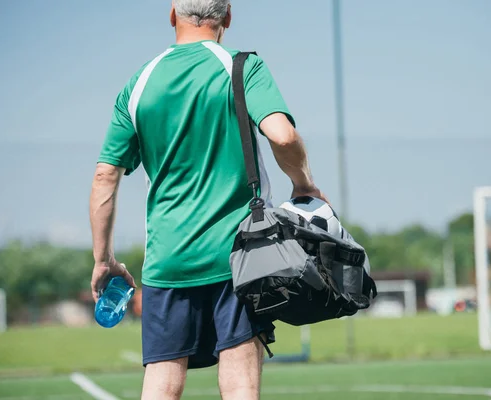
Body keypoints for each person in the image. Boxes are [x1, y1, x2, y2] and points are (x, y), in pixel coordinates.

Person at [89, 1, 328, 399]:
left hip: (168, 260)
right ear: (227, 18)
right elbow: (282, 136)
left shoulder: (139, 84)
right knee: (239, 381)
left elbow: (104, 176)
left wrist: (103, 260)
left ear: (172, 16)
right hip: (239, 257)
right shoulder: (242, 67)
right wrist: (304, 185)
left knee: (162, 384)